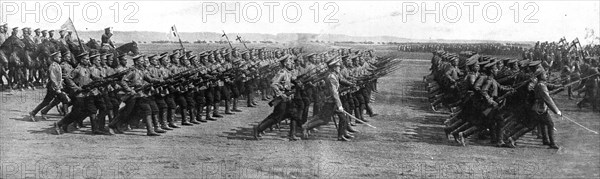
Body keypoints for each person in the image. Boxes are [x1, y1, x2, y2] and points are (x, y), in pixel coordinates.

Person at [302, 55, 355, 141]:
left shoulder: (335, 74)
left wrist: (350, 84)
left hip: (332, 101)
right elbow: (334, 93)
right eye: (338, 66)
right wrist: (339, 105)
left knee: (342, 118)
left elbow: (341, 80)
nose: (339, 67)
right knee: (324, 120)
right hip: (330, 102)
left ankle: (341, 135)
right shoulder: (331, 77)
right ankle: (306, 127)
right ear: (334, 67)